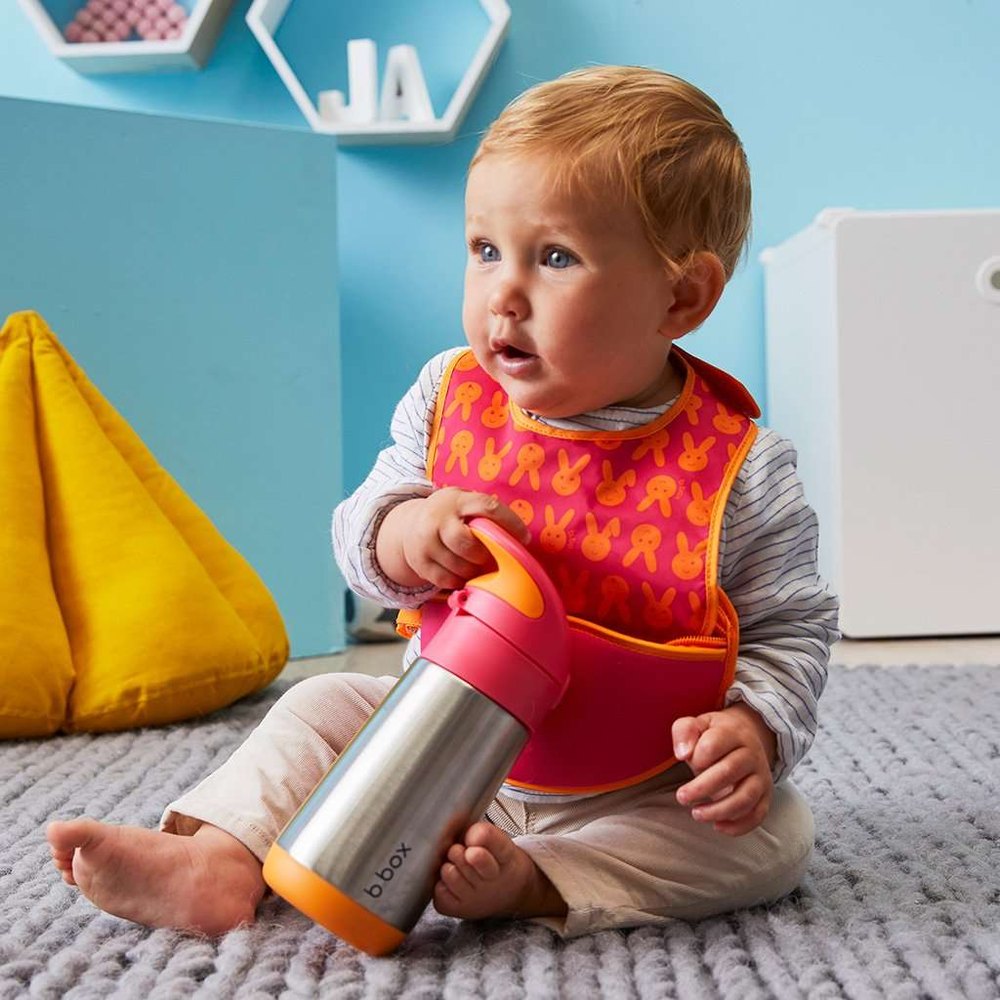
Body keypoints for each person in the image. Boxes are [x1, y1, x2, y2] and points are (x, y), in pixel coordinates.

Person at [47, 65, 839, 939]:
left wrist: (753, 729)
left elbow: (792, 627)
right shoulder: (447, 396)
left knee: (775, 837)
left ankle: (539, 878)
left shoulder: (742, 469)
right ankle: (219, 859)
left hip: (631, 786)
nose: (503, 294)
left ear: (681, 296)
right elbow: (360, 532)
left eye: (556, 258)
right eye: (485, 250)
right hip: (427, 749)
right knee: (318, 706)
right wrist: (403, 533)